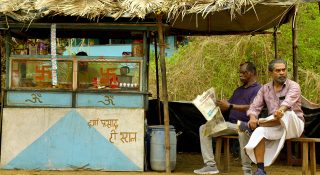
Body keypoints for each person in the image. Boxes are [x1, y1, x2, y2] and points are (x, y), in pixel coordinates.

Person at [194, 62, 261, 175]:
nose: (241, 75)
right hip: (230, 124)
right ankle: (210, 165)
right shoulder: (238, 90)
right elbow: (227, 107)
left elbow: (252, 107)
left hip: (247, 125)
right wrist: (217, 103)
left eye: (244, 72)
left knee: (242, 130)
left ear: (253, 73)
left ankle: (247, 170)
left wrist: (230, 106)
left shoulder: (259, 89)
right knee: (203, 128)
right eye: (240, 73)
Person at [243, 59, 304, 175]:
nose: (282, 72)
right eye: (278, 70)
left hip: (294, 125)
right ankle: (260, 170)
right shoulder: (265, 89)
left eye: (283, 70)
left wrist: (280, 111)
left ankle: (258, 123)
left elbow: (287, 103)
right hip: (276, 126)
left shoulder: (294, 86)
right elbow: (254, 106)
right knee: (259, 131)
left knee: (287, 114)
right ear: (271, 73)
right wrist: (252, 117)